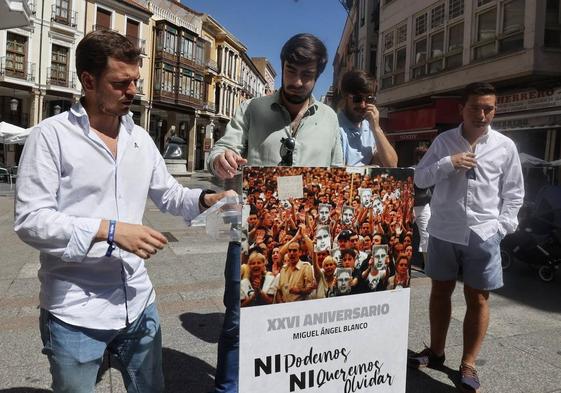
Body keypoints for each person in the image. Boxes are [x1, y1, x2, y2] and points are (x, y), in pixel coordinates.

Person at [13, 30, 234, 393]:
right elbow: (31, 221)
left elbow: (170, 194)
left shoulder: (140, 138)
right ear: (88, 81)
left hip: (137, 301)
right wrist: (110, 230)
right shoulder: (50, 136)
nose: (132, 90)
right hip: (74, 310)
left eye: (135, 81)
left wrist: (205, 199)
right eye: (120, 82)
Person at [206, 33, 343, 393]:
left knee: (301, 321)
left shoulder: (330, 119)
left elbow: (338, 176)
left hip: (305, 238)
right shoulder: (253, 109)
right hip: (250, 236)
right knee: (237, 322)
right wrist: (220, 159)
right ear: (282, 66)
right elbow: (221, 148)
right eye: (291, 71)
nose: (297, 82)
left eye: (307, 75)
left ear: (320, 75)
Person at [408, 82, 524, 393]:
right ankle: (435, 351)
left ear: (495, 110)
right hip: (445, 229)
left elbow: (514, 194)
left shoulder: (505, 146)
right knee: (439, 293)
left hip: (483, 232)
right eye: (476, 107)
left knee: (478, 299)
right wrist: (449, 163)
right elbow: (419, 177)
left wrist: (501, 229)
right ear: (462, 108)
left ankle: (469, 362)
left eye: (489, 108)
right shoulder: (444, 141)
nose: (483, 114)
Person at [338, 70, 397, 167]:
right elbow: (336, 170)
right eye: (357, 99)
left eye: (369, 99)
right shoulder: (335, 127)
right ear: (345, 97)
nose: (363, 105)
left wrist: (376, 129)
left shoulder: (370, 126)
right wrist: (371, 168)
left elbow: (392, 165)